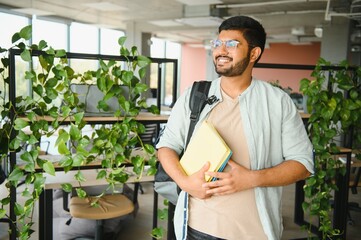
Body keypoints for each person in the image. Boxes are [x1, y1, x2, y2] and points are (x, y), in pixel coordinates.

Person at [156, 15, 314, 240]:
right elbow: (166, 146)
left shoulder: (277, 102)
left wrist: (252, 179)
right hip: (196, 228)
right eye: (217, 43)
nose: (221, 50)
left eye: (231, 44)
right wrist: (186, 183)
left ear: (254, 53)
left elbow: (303, 164)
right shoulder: (195, 95)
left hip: (255, 232)